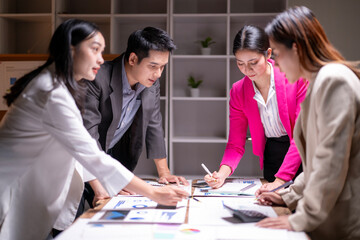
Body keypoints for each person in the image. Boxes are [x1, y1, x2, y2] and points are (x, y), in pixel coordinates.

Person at [0, 19, 188, 240]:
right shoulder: (52, 93)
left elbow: (82, 149)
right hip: (12, 190)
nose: (101, 59)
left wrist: (160, 176)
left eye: (102, 51)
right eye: (95, 50)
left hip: (33, 189)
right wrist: (153, 193)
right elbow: (90, 152)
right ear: (71, 51)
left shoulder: (59, 85)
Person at [255, 6, 360, 240]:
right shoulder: (318, 84)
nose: (277, 65)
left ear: (297, 48)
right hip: (329, 220)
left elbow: (329, 162)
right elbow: (313, 162)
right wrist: (287, 196)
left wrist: (301, 218)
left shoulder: (334, 80)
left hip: (344, 225)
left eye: (278, 55)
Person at [79, 26, 188, 211]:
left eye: (163, 67)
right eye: (153, 66)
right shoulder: (97, 79)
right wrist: (101, 184)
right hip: (81, 162)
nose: (158, 74)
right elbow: (87, 138)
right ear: (132, 59)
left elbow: (154, 122)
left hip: (112, 157)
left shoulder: (151, 81)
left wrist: (164, 172)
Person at [204, 25, 307, 190]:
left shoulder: (295, 78)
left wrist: (280, 181)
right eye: (240, 63)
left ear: (268, 54)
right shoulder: (238, 91)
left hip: (302, 154)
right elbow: (235, 143)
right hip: (273, 155)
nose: (247, 70)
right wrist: (221, 175)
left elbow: (302, 135)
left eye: (253, 62)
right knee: (272, 209)